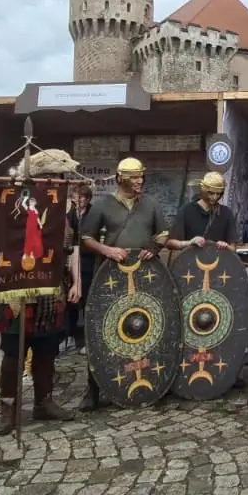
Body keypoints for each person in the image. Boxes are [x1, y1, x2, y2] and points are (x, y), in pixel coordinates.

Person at [0, 150, 82, 435]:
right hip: (17, 288)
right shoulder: (11, 203)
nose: (61, 181)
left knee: (47, 348)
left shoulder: (66, 208)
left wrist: (76, 280)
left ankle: (44, 402)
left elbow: (73, 247)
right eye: (56, 176)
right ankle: (9, 409)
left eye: (62, 177)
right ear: (41, 178)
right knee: (13, 352)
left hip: (52, 286)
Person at [79, 157, 169, 411]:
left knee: (143, 326)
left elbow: (162, 233)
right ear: (121, 179)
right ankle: (94, 388)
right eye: (134, 177)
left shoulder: (150, 204)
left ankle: (143, 382)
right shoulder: (103, 204)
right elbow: (86, 237)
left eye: (142, 177)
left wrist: (154, 247)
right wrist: (107, 250)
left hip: (144, 274)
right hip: (109, 276)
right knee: (103, 330)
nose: (140, 181)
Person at [166, 172, 237, 254]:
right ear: (203, 190)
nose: (215, 197)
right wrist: (189, 243)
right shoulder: (187, 211)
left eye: (218, 194)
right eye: (211, 193)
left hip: (219, 264)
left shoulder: (226, 213)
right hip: (191, 263)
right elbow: (170, 243)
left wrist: (226, 246)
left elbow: (233, 247)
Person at [65, 185, 92, 350]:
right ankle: (69, 335)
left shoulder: (93, 214)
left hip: (88, 260)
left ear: (87, 199)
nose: (77, 200)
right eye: (74, 197)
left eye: (80, 197)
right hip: (71, 259)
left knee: (87, 298)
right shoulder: (69, 214)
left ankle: (87, 339)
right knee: (72, 302)